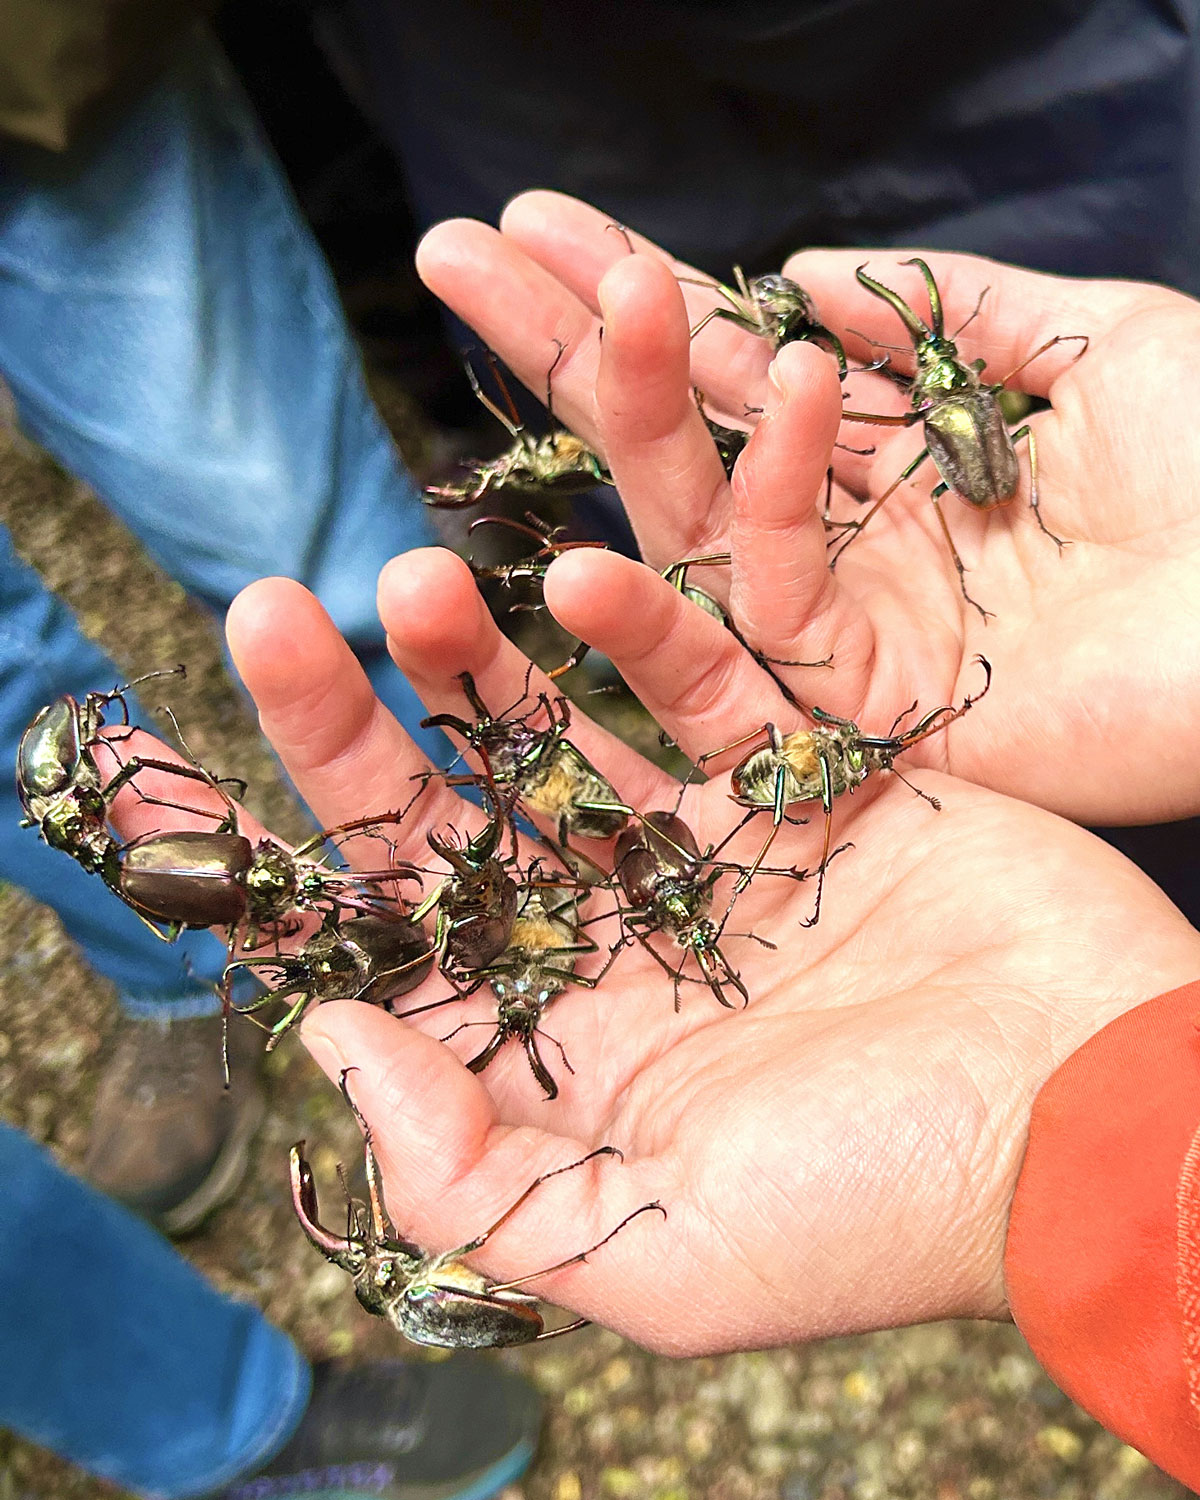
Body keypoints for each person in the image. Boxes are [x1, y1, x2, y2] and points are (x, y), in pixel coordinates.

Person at [144, 204, 1200, 1490]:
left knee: (529, 720)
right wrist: (1085, 1133)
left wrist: (1071, 1138)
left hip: (678, 849)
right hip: (648, 857)